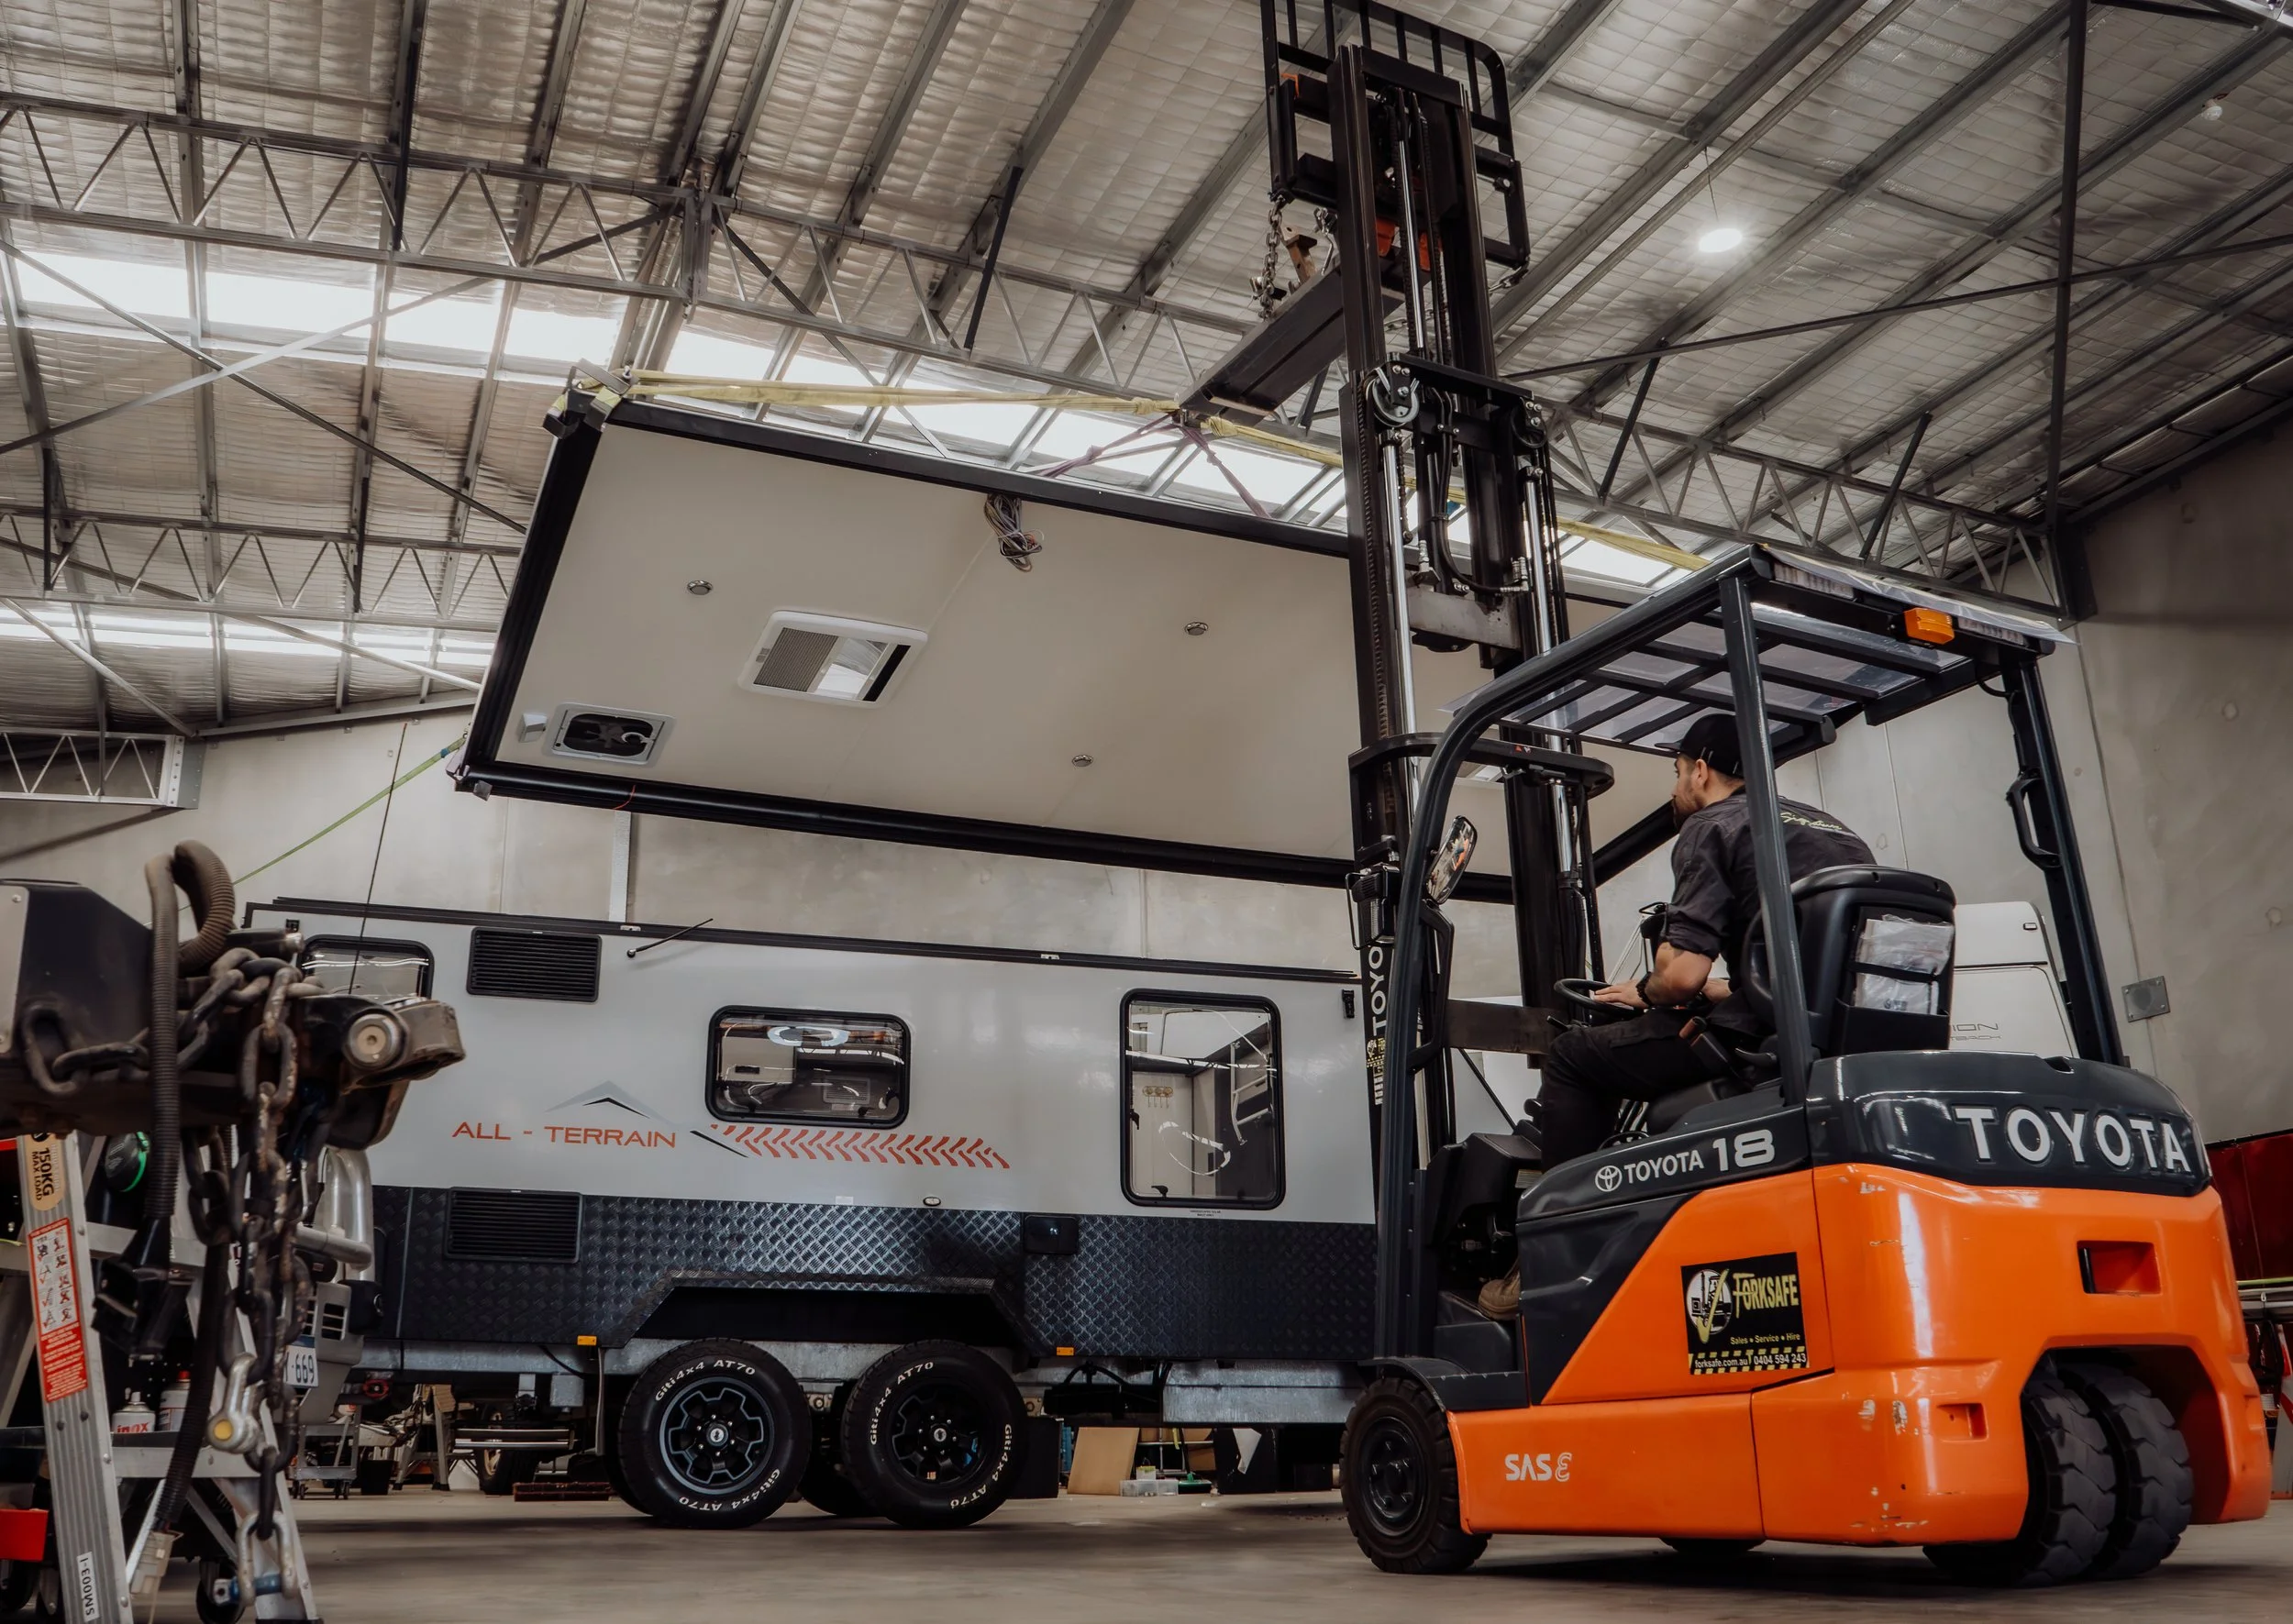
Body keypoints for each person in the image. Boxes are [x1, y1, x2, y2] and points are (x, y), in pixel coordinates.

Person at [1534, 712, 1875, 1170]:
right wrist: (1720, 990)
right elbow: (1812, 963)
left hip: (1761, 1041)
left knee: (1572, 1055)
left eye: (1677, 773)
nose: (1675, 790)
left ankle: (1562, 1215)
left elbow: (1677, 979)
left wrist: (1647, 989)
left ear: (1700, 770)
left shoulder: (1714, 824)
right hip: (1844, 1034)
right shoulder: (1834, 830)